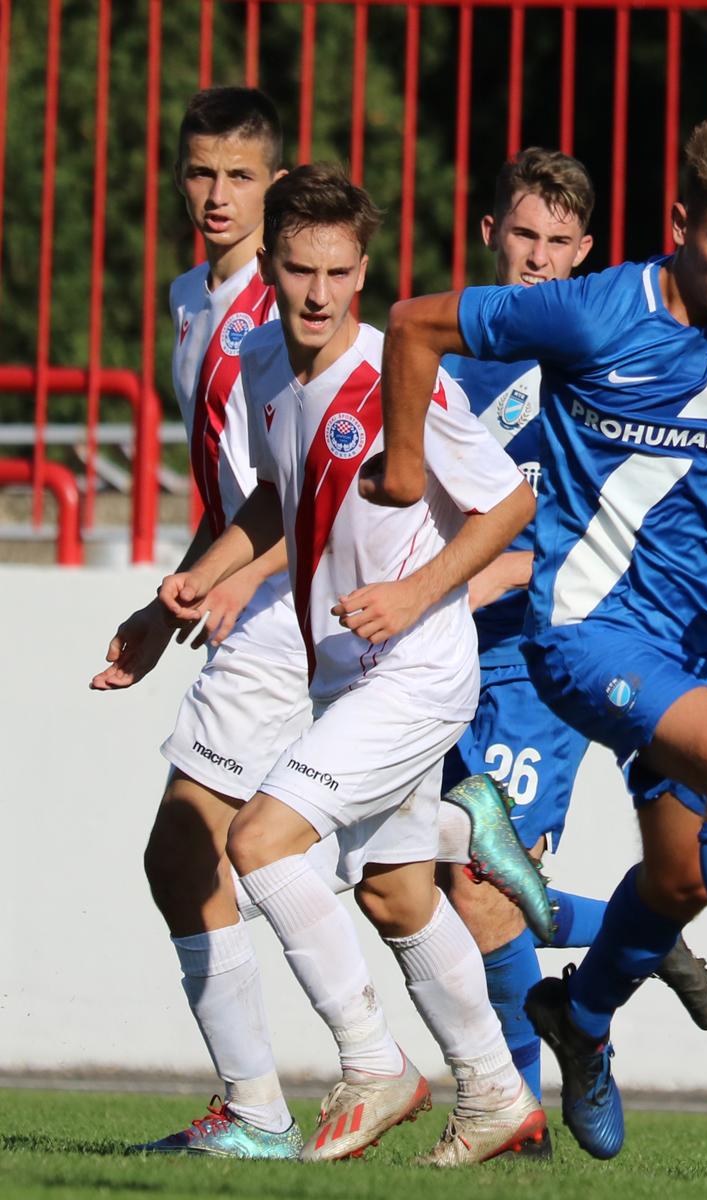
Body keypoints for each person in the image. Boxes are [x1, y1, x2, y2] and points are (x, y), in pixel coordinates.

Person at [360, 116, 707, 1160]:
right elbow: (413, 324)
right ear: (680, 224)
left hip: (695, 641)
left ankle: (582, 1015)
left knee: (684, 878)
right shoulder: (592, 309)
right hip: (582, 633)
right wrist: (408, 468)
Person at [158, 162, 548, 1166]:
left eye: (338, 273)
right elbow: (275, 497)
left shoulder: (392, 379)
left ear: (364, 271)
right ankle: (496, 1094)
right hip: (346, 674)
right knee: (395, 894)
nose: (318, 294)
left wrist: (416, 594)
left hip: (419, 668)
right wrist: (204, 575)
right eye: (299, 270)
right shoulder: (261, 361)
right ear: (271, 270)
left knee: (261, 843)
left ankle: (374, 1064)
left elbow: (509, 502)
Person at [436, 148, 707, 1105]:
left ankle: (517, 1110)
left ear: (585, 252)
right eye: (523, 234)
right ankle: (634, 934)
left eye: (558, 242)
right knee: (418, 873)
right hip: (436, 656)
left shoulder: (597, 364)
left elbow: (589, 534)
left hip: (531, 657)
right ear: (490, 233)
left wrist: (478, 579)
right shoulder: (450, 361)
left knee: (482, 883)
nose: (537, 257)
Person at [91, 86, 316, 1158]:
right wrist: (165, 600)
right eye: (200, 172)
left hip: (291, 609)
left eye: (240, 175)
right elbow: (233, 493)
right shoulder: (192, 298)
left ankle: (261, 1111)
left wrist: (239, 581)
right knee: (371, 874)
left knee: (186, 851)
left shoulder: (290, 305)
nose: (217, 194)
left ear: (278, 184)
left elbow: (312, 485)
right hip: (247, 599)